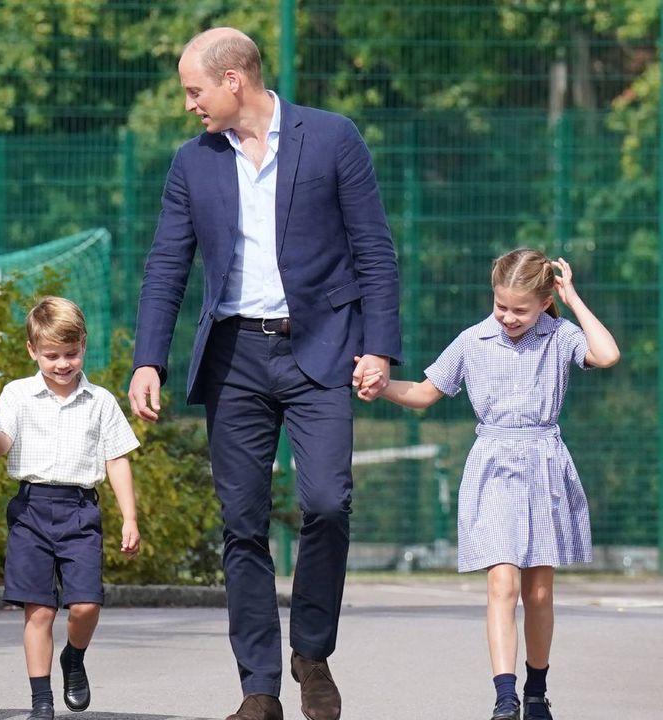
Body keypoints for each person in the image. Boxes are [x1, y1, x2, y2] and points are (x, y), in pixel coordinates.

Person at [127, 26, 401, 720]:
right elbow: (167, 264)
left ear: (233, 81)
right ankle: (259, 687)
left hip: (321, 349)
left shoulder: (332, 138)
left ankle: (311, 649)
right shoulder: (193, 163)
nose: (189, 105)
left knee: (328, 502)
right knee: (242, 524)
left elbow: (374, 249)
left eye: (195, 90)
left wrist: (379, 348)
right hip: (235, 360)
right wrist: (148, 359)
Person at [359, 249, 619, 720]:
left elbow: (607, 354)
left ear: (544, 302)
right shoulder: (473, 340)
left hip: (544, 465)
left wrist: (573, 298)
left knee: (539, 590)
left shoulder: (561, 337)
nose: (508, 317)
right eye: (502, 306)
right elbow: (423, 392)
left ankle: (537, 690)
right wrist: (382, 387)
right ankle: (505, 696)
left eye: (520, 309)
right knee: (503, 583)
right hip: (494, 466)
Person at [0, 296, 140, 720]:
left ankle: (74, 658)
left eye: (71, 353)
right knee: (40, 609)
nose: (62, 363)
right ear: (33, 351)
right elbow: (1, 446)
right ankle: (41, 700)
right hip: (31, 510)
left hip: (80, 511)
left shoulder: (100, 401)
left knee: (85, 605)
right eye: (52, 355)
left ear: (83, 345)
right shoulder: (17, 394)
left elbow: (116, 458)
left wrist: (130, 518)